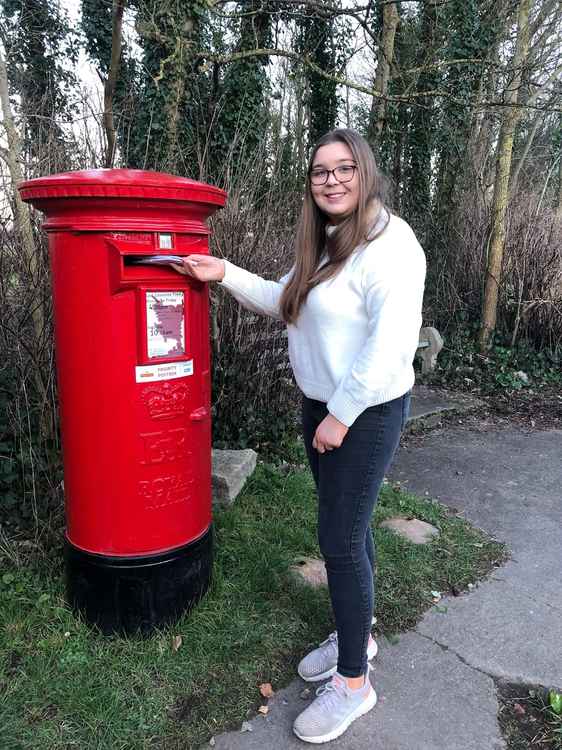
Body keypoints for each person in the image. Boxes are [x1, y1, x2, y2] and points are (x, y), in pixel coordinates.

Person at [172, 128, 426, 744]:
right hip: (322, 407)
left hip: (361, 413)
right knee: (353, 529)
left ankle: (354, 685)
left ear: (365, 173)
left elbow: (390, 344)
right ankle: (356, 632)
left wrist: (339, 416)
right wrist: (222, 270)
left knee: (338, 541)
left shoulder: (392, 245)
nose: (332, 180)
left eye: (343, 169)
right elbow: (283, 299)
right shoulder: (328, 241)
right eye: (320, 172)